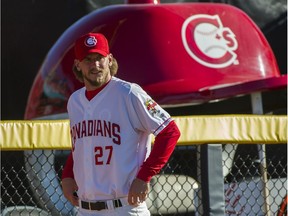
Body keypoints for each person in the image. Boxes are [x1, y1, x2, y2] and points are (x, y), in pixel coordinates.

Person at [61, 32, 181, 216]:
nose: (95, 65)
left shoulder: (129, 93)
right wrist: (67, 175)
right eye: (88, 59)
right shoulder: (75, 101)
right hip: (85, 210)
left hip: (125, 207)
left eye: (100, 58)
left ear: (109, 59)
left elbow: (170, 131)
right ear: (78, 64)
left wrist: (144, 176)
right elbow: (83, 143)